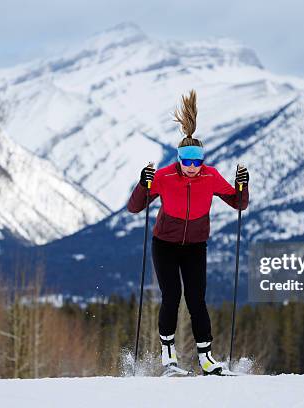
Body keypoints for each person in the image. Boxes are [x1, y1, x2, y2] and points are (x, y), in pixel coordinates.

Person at [127, 89, 250, 375]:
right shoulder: (165, 176)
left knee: (197, 299)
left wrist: (243, 185)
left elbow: (238, 204)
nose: (193, 168)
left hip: (196, 245)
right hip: (165, 244)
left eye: (197, 162)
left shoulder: (211, 176)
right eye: (187, 162)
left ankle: (206, 359)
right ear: (179, 159)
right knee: (172, 295)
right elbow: (135, 208)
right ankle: (167, 355)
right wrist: (142, 184)